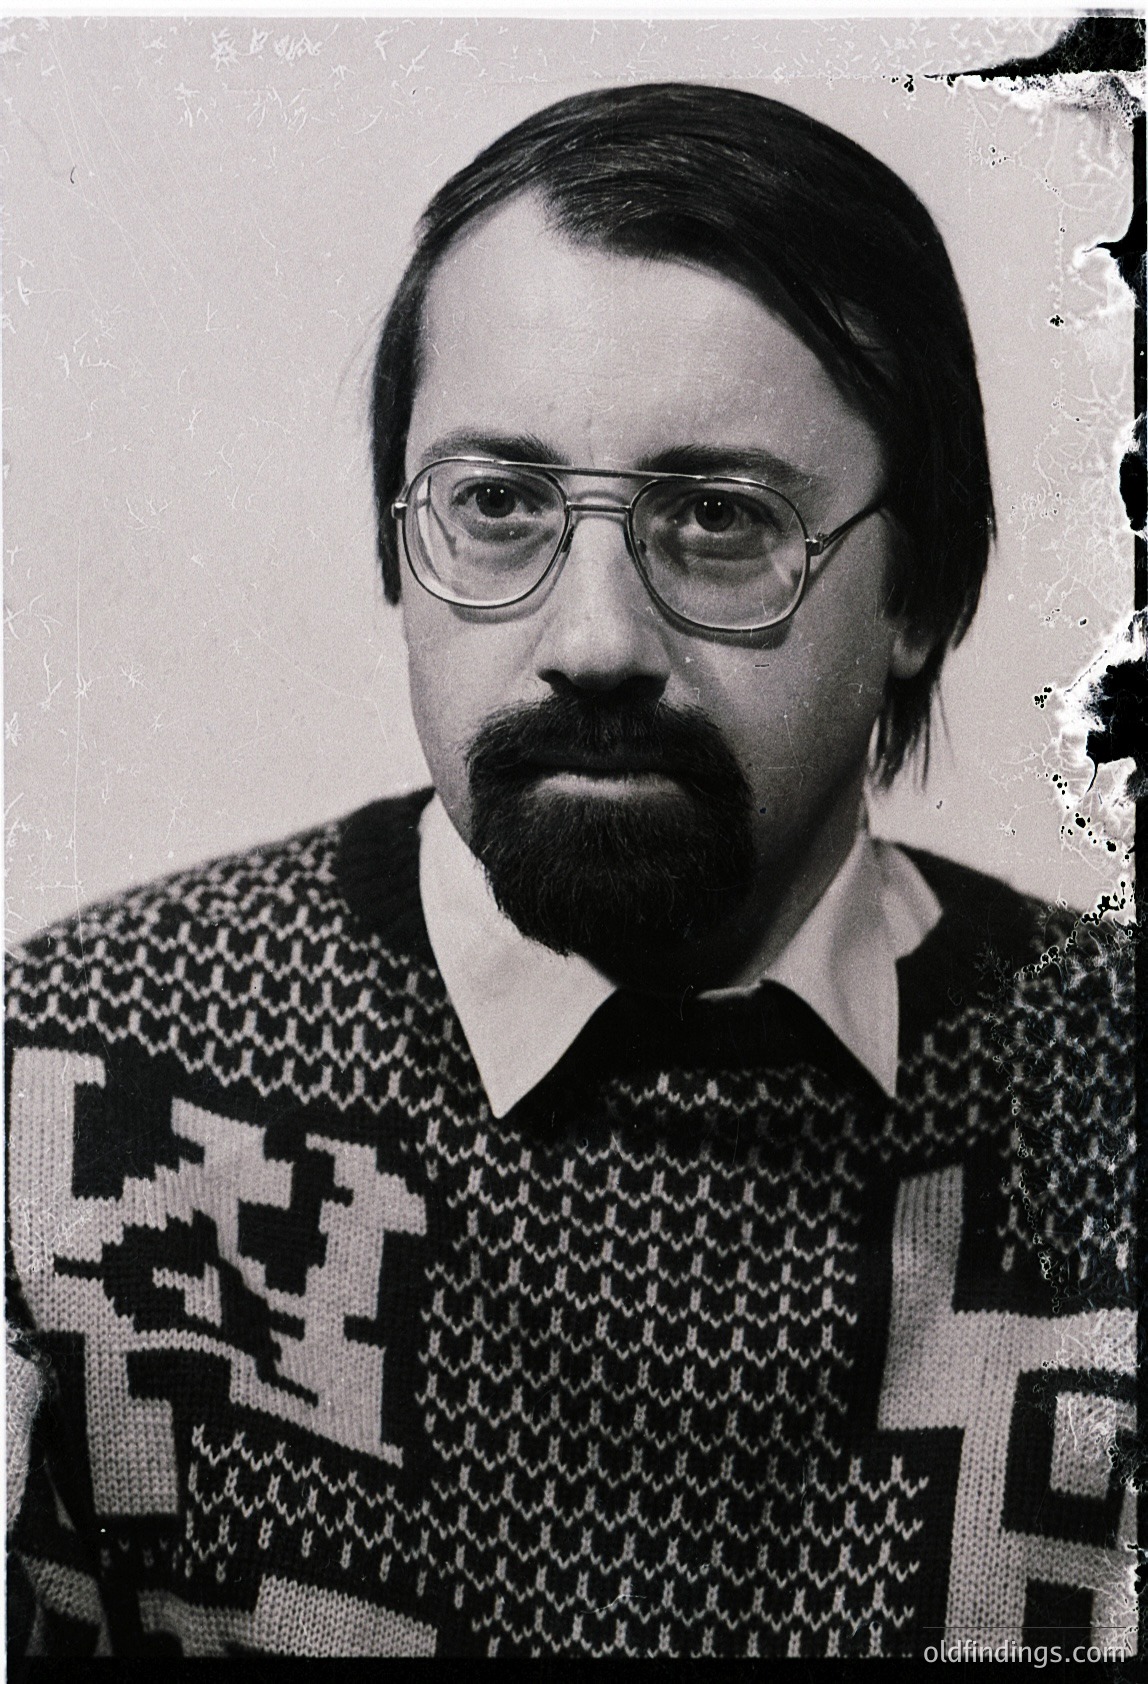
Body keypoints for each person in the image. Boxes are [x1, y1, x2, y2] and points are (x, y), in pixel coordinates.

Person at [6, 83, 1134, 1661]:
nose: (596, 639)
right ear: (396, 543)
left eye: (720, 520)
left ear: (925, 588)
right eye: (497, 507)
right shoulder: (60, 1101)